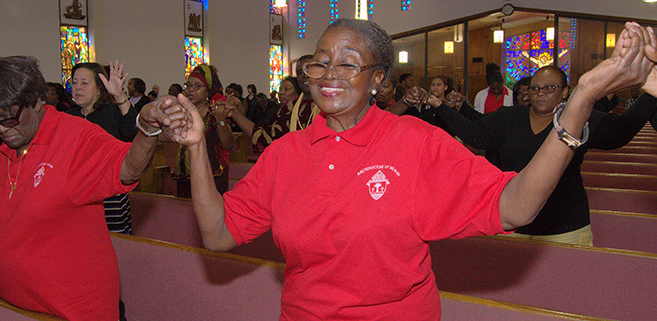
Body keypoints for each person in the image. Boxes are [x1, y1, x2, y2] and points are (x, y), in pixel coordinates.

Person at [162, 18, 654, 320]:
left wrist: (583, 99)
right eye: (320, 62)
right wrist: (197, 148)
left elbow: (517, 206)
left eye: (348, 63)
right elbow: (218, 233)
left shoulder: (413, 143)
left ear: (377, 79)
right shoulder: (286, 154)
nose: (329, 72)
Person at [0, 56, 184, 321]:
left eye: (8, 119)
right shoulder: (12, 143)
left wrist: (147, 131)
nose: (1, 131)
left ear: (36, 100)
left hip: (72, 310)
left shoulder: (75, 135)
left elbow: (129, 168)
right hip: (19, 306)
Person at [415, 35, 657, 245]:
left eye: (549, 88)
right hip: (515, 226)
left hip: (565, 228)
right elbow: (473, 133)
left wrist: (651, 94)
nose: (540, 93)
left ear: (565, 92)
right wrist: (439, 105)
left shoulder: (578, 118)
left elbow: (620, 133)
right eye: (535, 88)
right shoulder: (511, 117)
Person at [66, 62, 137, 233]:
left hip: (109, 194)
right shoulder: (68, 116)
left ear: (99, 88)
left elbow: (133, 129)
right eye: (74, 82)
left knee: (114, 243)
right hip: (77, 193)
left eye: (84, 83)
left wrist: (119, 96)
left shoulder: (113, 112)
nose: (77, 88)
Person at [171, 64, 235, 197]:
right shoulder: (182, 112)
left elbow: (228, 144)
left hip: (210, 176)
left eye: (197, 86)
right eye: (188, 85)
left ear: (208, 90)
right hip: (185, 176)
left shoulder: (215, 112)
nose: (191, 90)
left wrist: (221, 119)